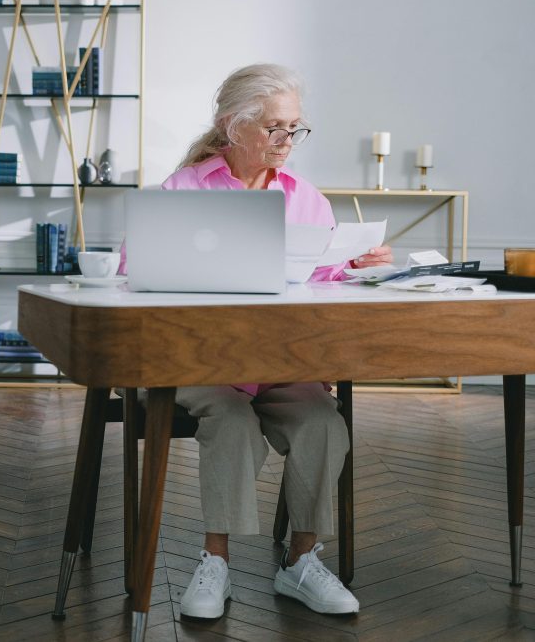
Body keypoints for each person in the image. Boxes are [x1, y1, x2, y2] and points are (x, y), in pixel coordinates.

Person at [125, 63, 392, 619]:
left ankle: (300, 561)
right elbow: (136, 268)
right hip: (201, 364)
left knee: (322, 422)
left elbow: (325, 283)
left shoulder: (305, 197)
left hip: (280, 363)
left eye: (294, 128)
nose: (287, 140)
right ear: (232, 126)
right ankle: (215, 561)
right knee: (232, 421)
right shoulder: (185, 188)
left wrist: (360, 268)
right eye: (274, 127)